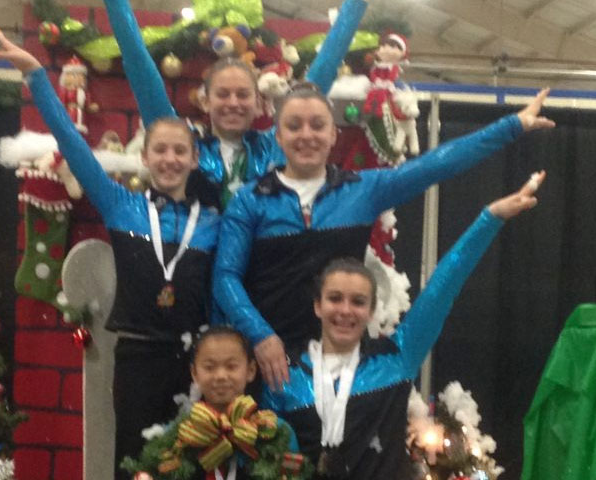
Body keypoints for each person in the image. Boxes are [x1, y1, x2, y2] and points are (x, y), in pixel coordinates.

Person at [213, 84, 555, 391]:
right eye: (294, 126)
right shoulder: (250, 200)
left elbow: (437, 164)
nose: (307, 135)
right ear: (278, 136)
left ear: (333, 134)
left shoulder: (362, 190)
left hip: (343, 359)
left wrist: (511, 126)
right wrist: (260, 335)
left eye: (317, 125)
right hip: (272, 364)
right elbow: (225, 276)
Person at [0, 27, 220, 480]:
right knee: (134, 466)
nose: (170, 159)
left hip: (195, 362)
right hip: (135, 360)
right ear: (146, 158)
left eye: (180, 151)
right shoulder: (122, 206)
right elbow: (74, 148)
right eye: (160, 150)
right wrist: (37, 76)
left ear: (195, 159)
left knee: (193, 468)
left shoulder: (213, 221)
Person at [262, 172, 546, 478]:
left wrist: (489, 218)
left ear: (371, 311)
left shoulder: (395, 358)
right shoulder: (285, 375)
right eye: (335, 298)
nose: (345, 310)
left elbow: (443, 288)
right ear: (318, 305)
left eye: (358, 301)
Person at [102, 0, 368, 207]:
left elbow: (322, 73)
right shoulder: (186, 148)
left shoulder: (275, 145)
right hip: (195, 259)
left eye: (242, 94)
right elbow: (141, 72)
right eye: (223, 94)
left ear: (257, 102)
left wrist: (355, 7)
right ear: (205, 101)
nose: (233, 103)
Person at [123, 325, 313, 480]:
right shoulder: (177, 437)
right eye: (209, 367)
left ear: (250, 370)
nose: (221, 375)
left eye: (231, 366)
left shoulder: (275, 432)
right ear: (194, 373)